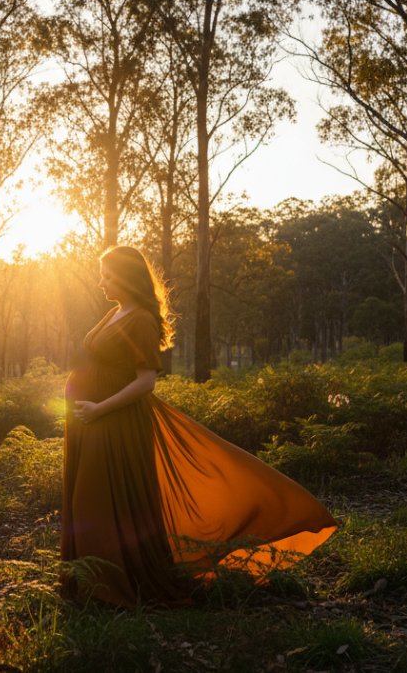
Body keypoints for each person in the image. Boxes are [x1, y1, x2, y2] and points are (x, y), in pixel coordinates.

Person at [61, 245, 337, 608]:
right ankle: (89, 582)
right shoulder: (115, 313)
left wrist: (100, 409)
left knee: (100, 501)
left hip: (116, 423)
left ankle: (110, 588)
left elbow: (146, 381)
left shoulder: (140, 319)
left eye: (107, 275)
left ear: (126, 277)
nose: (101, 282)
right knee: (89, 501)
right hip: (92, 421)